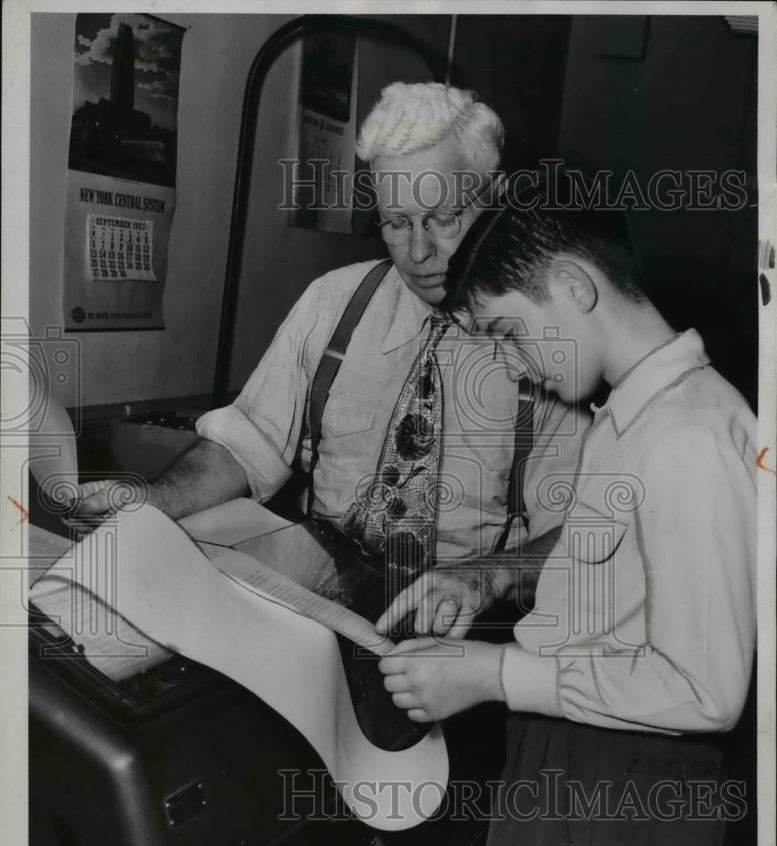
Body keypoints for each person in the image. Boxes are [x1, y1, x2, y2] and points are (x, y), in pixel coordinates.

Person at [376, 178, 757, 846]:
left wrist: (492, 675)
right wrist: (486, 581)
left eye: (509, 332)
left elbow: (705, 691)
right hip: (575, 755)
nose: (513, 369)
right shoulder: (637, 416)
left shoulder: (686, 436)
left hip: (618, 785)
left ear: (574, 287)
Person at [69, 83, 588, 602]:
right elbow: (245, 445)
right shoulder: (334, 302)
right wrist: (153, 500)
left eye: (443, 218)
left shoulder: (546, 339)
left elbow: (578, 531)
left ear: (491, 200)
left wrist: (485, 578)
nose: (418, 251)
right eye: (396, 222)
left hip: (464, 617)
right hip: (324, 584)